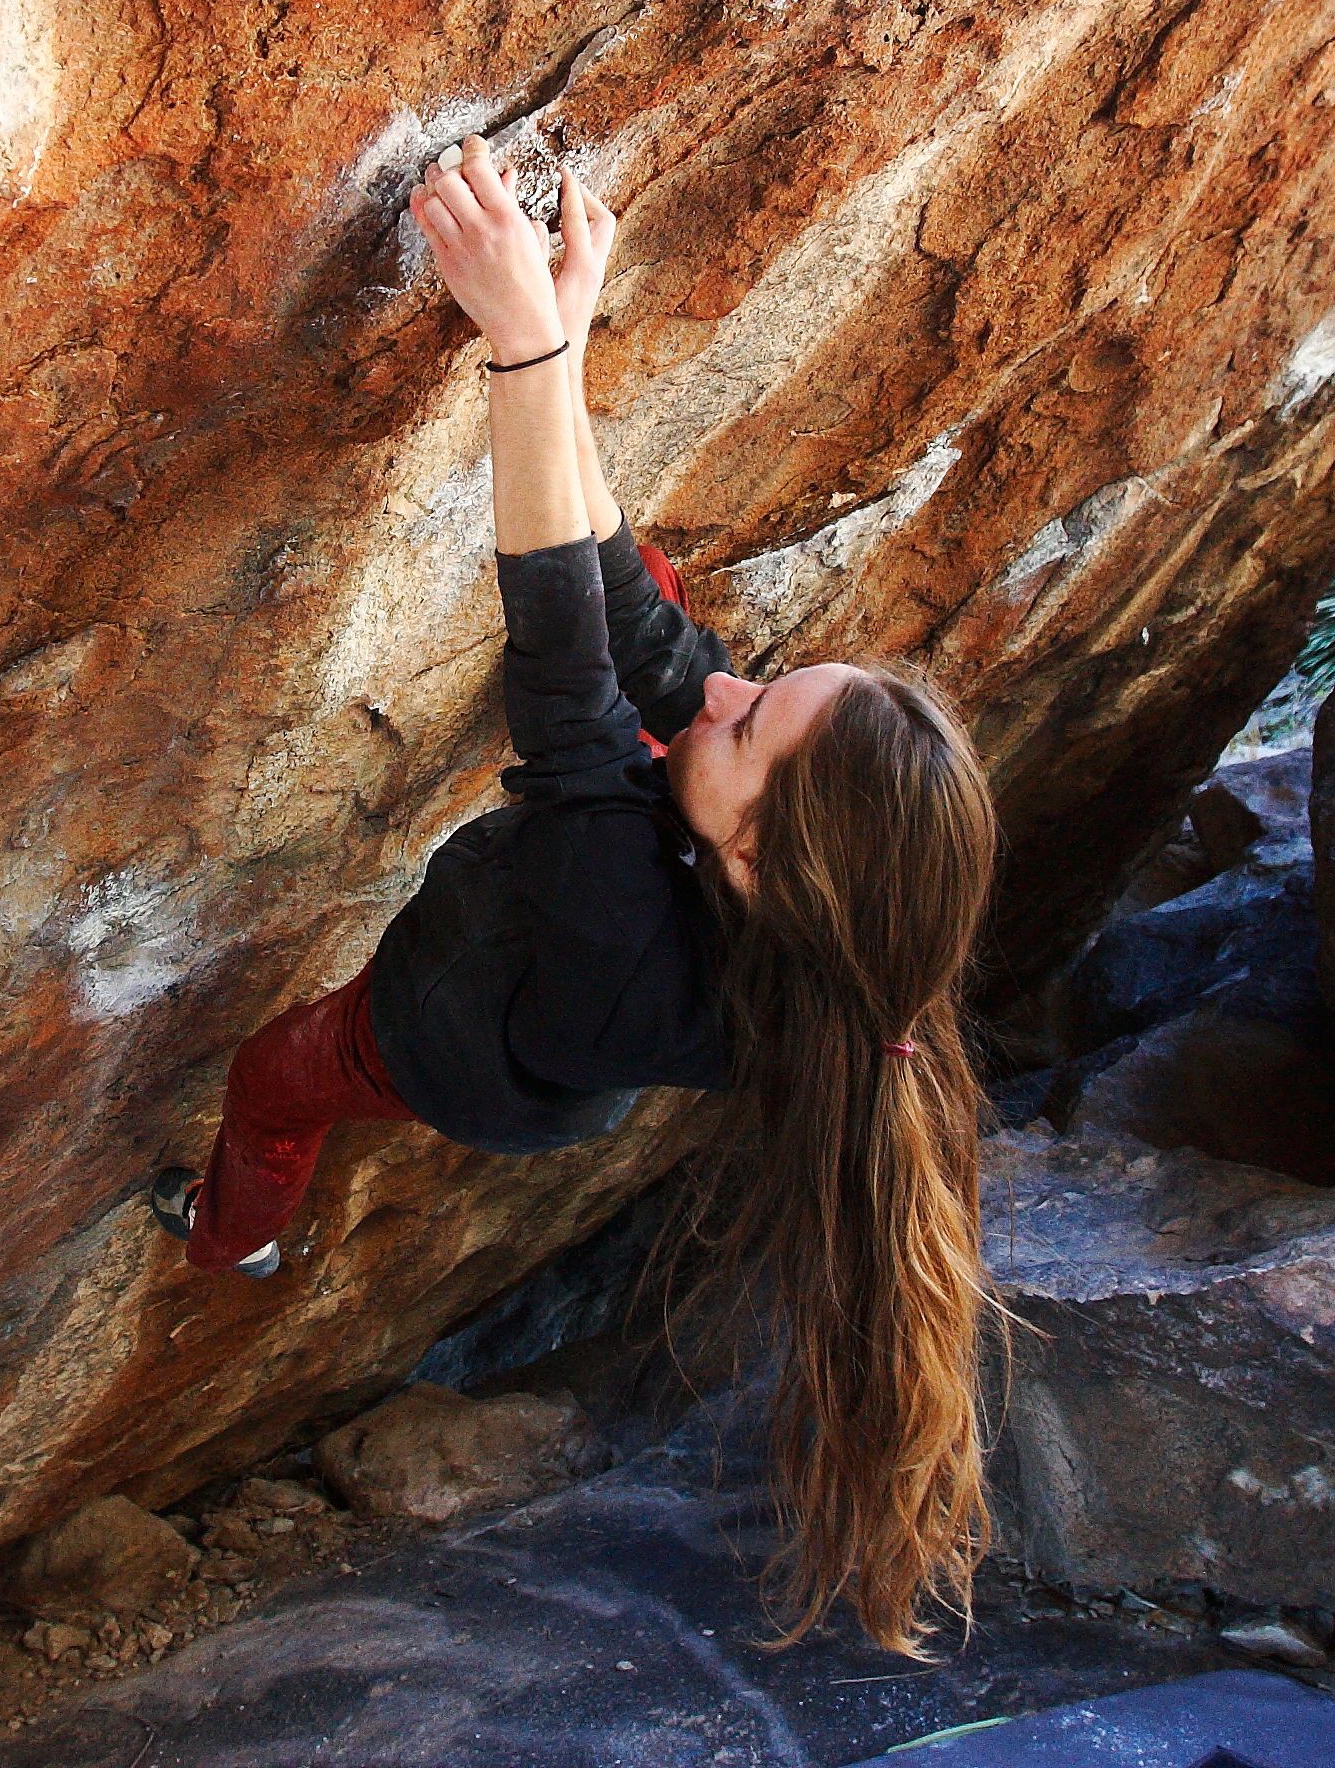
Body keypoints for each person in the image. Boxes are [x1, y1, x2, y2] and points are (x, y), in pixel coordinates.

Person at [144, 134, 1006, 1659]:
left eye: (750, 724)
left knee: (279, 1073)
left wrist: (527, 350)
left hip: (454, 1041)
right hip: (549, 1000)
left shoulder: (623, 937)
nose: (730, 692)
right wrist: (559, 344)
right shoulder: (822, 915)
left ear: (753, 864)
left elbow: (562, 660)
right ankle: (253, 1220)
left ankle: (230, 1236)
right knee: (656, 603)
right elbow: (634, 624)